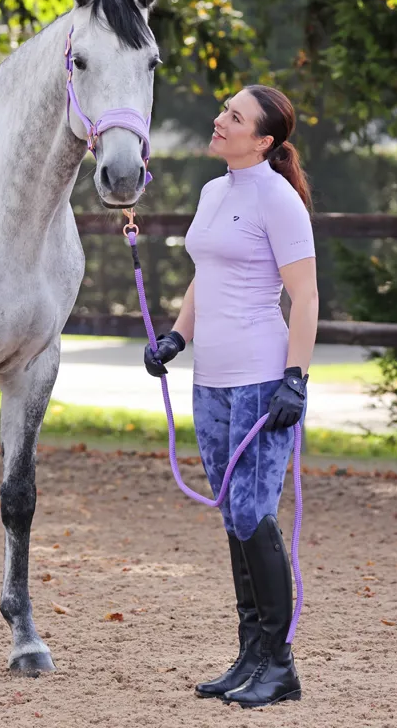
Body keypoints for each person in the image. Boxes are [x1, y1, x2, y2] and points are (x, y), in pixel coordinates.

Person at [144, 85, 318, 708]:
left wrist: (295, 378)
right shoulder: (214, 192)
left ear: (263, 140)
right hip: (210, 380)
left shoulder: (279, 200)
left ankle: (281, 664)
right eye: (226, 111)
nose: (221, 120)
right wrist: (175, 337)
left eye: (235, 117)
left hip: (260, 378)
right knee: (231, 514)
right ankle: (250, 655)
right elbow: (204, 275)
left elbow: (306, 296)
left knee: (252, 514)